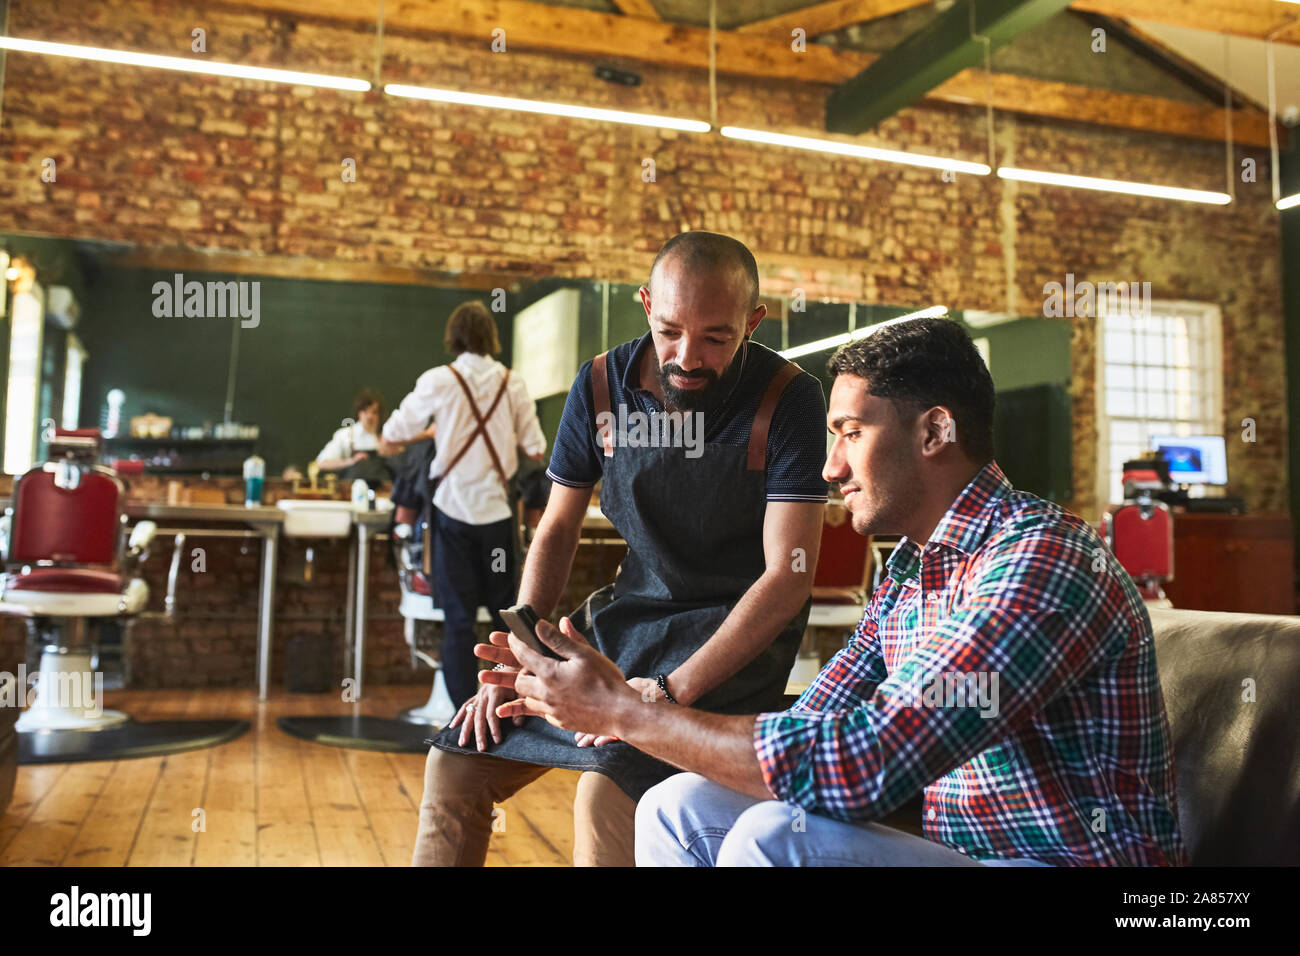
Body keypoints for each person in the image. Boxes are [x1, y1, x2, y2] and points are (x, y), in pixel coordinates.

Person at [485, 317, 1187, 867]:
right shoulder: (913, 570)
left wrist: (626, 715)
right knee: (678, 809)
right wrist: (634, 698)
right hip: (968, 853)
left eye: (851, 433)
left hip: (1068, 862)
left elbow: (865, 762)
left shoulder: (1038, 562)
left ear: (936, 430)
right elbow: (817, 721)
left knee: (771, 841)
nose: (829, 467)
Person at [410, 231, 830, 867]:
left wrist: (662, 695)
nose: (688, 356)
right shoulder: (601, 386)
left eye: (717, 337)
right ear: (644, 304)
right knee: (457, 759)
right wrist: (520, 661)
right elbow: (555, 528)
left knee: (607, 788)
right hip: (625, 624)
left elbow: (787, 578)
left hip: (730, 648)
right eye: (669, 331)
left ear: (754, 321)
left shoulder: (789, 399)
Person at [380, 301, 546, 711]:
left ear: (453, 337)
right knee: (508, 620)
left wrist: (436, 433)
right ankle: (512, 712)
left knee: (458, 623)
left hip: (451, 517)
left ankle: (463, 721)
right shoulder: (513, 383)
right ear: (491, 337)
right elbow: (537, 449)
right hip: (496, 522)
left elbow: (392, 433)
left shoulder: (440, 379)